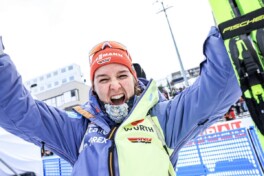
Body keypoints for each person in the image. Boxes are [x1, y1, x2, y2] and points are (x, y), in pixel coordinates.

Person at [0, 26, 241, 176]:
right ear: (93, 88)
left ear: (135, 80)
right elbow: (17, 111)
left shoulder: (164, 119)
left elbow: (218, 89)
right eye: (103, 79)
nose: (114, 85)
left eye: (122, 75)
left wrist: (228, 32)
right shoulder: (77, 129)